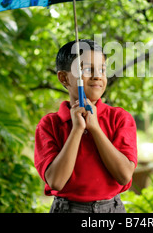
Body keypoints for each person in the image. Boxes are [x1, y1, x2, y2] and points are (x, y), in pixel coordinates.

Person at [34, 39, 137, 213]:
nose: (97, 75)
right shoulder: (49, 125)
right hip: (67, 209)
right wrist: (77, 130)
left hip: (111, 208)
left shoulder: (120, 118)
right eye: (87, 69)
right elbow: (56, 181)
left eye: (102, 69)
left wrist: (95, 128)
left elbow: (124, 175)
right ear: (64, 78)